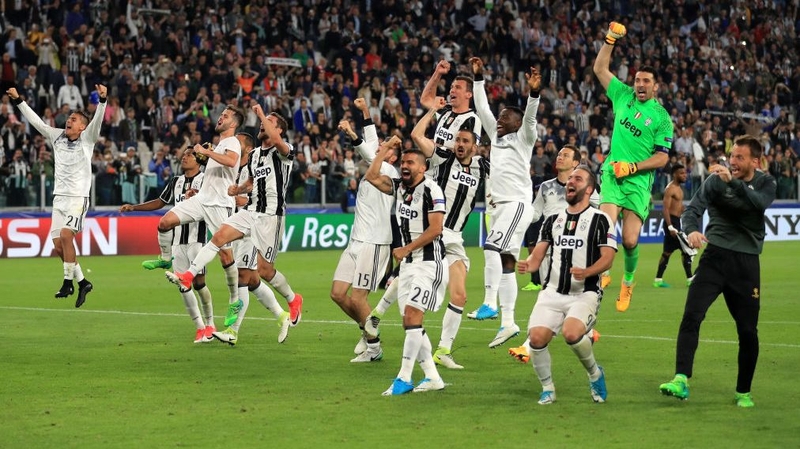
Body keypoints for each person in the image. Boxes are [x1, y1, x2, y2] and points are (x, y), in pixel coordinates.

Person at [366, 96, 489, 370]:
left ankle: (441, 349)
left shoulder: (483, 167)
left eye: (465, 142)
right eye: (457, 140)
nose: (459, 144)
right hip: (438, 230)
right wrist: (433, 110)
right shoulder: (442, 159)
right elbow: (416, 135)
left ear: (475, 146)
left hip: (456, 235)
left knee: (460, 297)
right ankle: (384, 316)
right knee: (421, 275)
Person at [659, 135, 776, 408]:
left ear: (755, 161)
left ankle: (743, 391)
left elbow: (758, 203)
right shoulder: (714, 181)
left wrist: (732, 182)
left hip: (746, 265)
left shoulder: (765, 183)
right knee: (692, 315)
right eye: (731, 156)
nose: (732, 162)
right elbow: (692, 211)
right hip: (714, 258)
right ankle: (681, 379)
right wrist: (692, 230)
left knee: (748, 331)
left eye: (739, 157)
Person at [166, 106, 295, 345]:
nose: (262, 124)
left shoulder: (282, 152)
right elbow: (250, 185)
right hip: (247, 216)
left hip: (269, 217)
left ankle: (290, 300)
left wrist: (259, 112)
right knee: (239, 267)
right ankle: (232, 325)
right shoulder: (253, 158)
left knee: (259, 273)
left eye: (268, 122)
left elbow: (257, 180)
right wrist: (238, 189)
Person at [517, 165, 616, 405]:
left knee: (572, 334)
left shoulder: (601, 219)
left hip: (585, 293)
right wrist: (528, 265)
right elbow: (537, 256)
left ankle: (595, 374)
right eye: (570, 178)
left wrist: (588, 271)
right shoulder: (553, 220)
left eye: (578, 179)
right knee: (537, 338)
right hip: (552, 292)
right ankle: (547, 388)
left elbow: (608, 257)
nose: (571, 182)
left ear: (589, 189)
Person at [593, 21, 671, 312]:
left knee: (629, 240)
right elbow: (600, 70)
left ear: (655, 86)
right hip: (613, 174)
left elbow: (662, 157)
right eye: (637, 80)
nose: (640, 85)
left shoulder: (661, 118)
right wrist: (610, 40)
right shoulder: (623, 96)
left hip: (638, 182)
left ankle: (628, 282)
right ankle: (604, 273)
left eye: (646, 81)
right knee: (604, 227)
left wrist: (635, 167)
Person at [7, 84, 107, 308]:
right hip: (58, 199)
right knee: (57, 245)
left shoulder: (87, 139)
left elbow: (98, 122)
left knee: (65, 235)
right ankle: (83, 282)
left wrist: (102, 101)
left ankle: (67, 282)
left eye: (74, 119)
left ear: (83, 127)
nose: (69, 120)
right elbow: (36, 122)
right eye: (69, 117)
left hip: (77, 199)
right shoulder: (57, 136)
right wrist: (18, 100)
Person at [465, 57, 540, 350]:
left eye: (505, 116)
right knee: (507, 259)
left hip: (517, 204)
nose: (499, 119)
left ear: (517, 123)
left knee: (492, 247)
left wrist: (533, 94)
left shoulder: (524, 137)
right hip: (500, 207)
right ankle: (508, 322)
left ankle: (490, 303)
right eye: (500, 116)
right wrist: (479, 77)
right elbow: (482, 107)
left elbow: (531, 118)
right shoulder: (496, 138)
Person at [365, 145, 449, 396]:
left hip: (429, 264)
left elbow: (436, 229)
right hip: (409, 267)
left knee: (413, 317)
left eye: (411, 162)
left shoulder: (432, 190)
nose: (405, 166)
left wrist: (406, 248)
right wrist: (385, 151)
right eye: (403, 162)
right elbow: (371, 176)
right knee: (410, 323)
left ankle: (403, 377)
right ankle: (433, 378)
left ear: (423, 167)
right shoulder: (399, 187)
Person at [509, 144, 601, 363]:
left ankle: (528, 345)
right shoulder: (545, 187)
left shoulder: (587, 188)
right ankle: (585, 332)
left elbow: (598, 212)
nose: (560, 157)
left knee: (560, 295)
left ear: (576, 163)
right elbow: (534, 214)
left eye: (566, 155)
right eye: (559, 154)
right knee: (549, 296)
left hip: (575, 249)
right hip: (548, 249)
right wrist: (514, 210)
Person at [119, 147, 216, 343]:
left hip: (197, 239)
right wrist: (134, 207)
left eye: (189, 154)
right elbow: (160, 202)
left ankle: (211, 324)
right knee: (182, 286)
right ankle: (199, 328)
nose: (184, 157)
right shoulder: (176, 182)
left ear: (198, 160)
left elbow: (215, 199)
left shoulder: (206, 180)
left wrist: (198, 194)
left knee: (199, 284)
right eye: (184, 154)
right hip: (177, 242)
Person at [332, 98, 400, 363]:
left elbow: (370, 152)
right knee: (337, 294)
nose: (380, 146)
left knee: (359, 297)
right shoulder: (378, 160)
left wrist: (350, 133)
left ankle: (374, 348)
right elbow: (371, 144)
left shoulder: (391, 171)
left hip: (375, 242)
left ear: (393, 155)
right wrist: (364, 112)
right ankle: (366, 328)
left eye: (386, 146)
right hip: (356, 240)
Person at [210, 129, 294, 346]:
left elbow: (258, 197)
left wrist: (241, 199)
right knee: (253, 280)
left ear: (246, 147)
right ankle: (281, 315)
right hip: (240, 223)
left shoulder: (257, 165)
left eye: (237, 143)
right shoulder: (242, 168)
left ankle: (232, 331)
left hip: (254, 225)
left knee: (243, 278)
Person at [157, 105, 243, 311]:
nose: (220, 117)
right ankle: (165, 258)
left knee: (225, 256)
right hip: (202, 199)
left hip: (220, 204)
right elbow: (215, 174)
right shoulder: (219, 144)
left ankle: (234, 299)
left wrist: (205, 152)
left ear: (234, 123)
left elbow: (231, 162)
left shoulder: (233, 142)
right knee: (165, 222)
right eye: (221, 114)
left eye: (225, 116)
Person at [419, 60, 482, 152]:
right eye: (452, 87)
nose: (452, 90)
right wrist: (437, 73)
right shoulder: (445, 110)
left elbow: (470, 151)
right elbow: (425, 99)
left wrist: (435, 148)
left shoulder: (472, 119)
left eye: (458, 87)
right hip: (433, 165)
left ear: (468, 94)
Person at [653, 163, 696, 288]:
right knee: (687, 250)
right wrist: (670, 226)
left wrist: (686, 211)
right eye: (682, 173)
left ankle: (658, 280)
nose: (685, 175)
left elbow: (678, 207)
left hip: (676, 222)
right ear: (675, 174)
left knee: (667, 252)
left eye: (685, 173)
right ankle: (690, 279)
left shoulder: (678, 189)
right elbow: (665, 209)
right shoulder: (670, 189)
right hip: (671, 223)